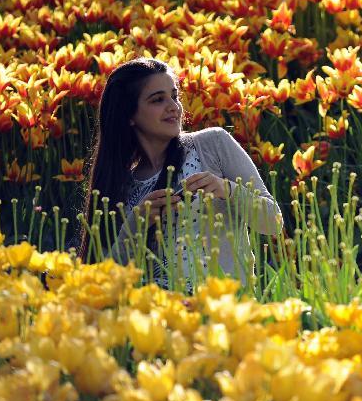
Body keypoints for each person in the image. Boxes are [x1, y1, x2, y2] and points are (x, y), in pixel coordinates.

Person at [77, 57, 283, 290]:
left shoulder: (212, 144)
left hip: (223, 311)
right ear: (129, 115)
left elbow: (273, 222)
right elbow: (104, 279)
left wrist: (227, 189)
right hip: (159, 315)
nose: (173, 107)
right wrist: (135, 225)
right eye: (158, 99)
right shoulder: (119, 185)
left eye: (174, 96)